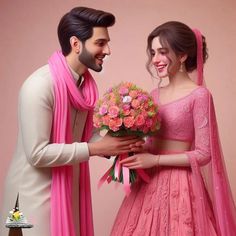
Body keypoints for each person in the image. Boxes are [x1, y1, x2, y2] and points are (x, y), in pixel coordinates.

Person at [0, 7, 143, 236]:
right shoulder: (40, 86)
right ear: (76, 44)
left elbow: (87, 136)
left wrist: (122, 142)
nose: (107, 50)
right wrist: (95, 148)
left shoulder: (84, 87)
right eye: (100, 42)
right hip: (30, 199)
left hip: (66, 191)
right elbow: (36, 153)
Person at [111, 21, 236, 235]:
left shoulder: (199, 95)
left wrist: (156, 160)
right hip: (148, 181)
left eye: (162, 52)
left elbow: (204, 154)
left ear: (183, 55)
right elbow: (151, 142)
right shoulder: (154, 95)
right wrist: (132, 146)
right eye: (153, 52)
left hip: (182, 185)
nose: (155, 60)